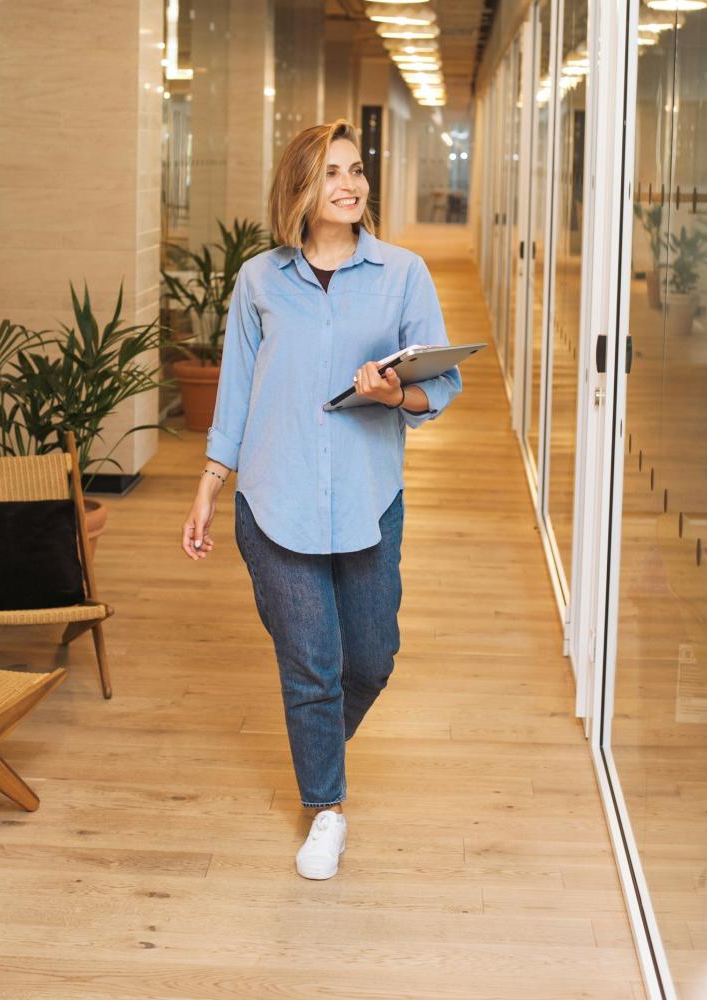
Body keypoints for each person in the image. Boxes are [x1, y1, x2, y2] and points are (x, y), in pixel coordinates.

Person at [181, 119, 462, 880]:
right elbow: (236, 391)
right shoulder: (259, 280)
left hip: (370, 500)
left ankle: (317, 751)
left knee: (369, 661)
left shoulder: (402, 273)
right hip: (275, 501)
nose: (350, 184)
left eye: (356, 170)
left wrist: (396, 389)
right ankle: (326, 809)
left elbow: (442, 384)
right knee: (312, 666)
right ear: (300, 189)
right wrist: (210, 487)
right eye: (331, 172)